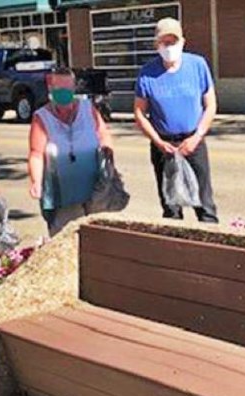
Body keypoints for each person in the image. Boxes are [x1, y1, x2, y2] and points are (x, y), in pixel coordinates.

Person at [134, 17, 219, 223]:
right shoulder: (147, 74)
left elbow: (210, 106)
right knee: (171, 204)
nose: (169, 47)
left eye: (173, 42)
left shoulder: (197, 65)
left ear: (182, 42)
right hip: (164, 146)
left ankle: (208, 247)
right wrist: (159, 142)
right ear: (157, 45)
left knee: (204, 203)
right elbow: (139, 113)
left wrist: (197, 137)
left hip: (193, 142)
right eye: (164, 42)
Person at [28, 67, 114, 236]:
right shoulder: (42, 117)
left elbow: (103, 134)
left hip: (94, 186)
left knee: (98, 235)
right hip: (63, 191)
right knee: (67, 238)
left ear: (74, 88)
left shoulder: (88, 108)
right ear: (50, 89)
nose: (64, 92)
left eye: (68, 88)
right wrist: (36, 181)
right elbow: (36, 154)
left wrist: (108, 158)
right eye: (59, 89)